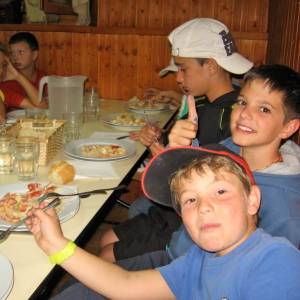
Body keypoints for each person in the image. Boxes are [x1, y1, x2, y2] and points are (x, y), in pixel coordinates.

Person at [27, 145, 300, 299]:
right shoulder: (199, 259)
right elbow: (126, 285)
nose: (204, 207)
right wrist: (57, 246)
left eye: (220, 192)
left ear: (252, 200)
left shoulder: (276, 260)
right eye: (190, 200)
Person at [98, 17, 253, 262]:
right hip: (172, 211)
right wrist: (160, 141)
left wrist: (163, 154)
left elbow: (203, 183)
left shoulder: (234, 119)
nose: (178, 78)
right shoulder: (201, 100)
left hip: (187, 220)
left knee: (106, 254)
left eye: (183, 68)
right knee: (106, 239)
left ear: (211, 66)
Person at [0, 32, 47, 109]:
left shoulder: (43, 77)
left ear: (34, 55)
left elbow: (46, 107)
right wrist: (18, 76)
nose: (15, 57)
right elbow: (41, 109)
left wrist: (18, 76)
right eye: (11, 53)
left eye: (20, 52)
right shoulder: (6, 82)